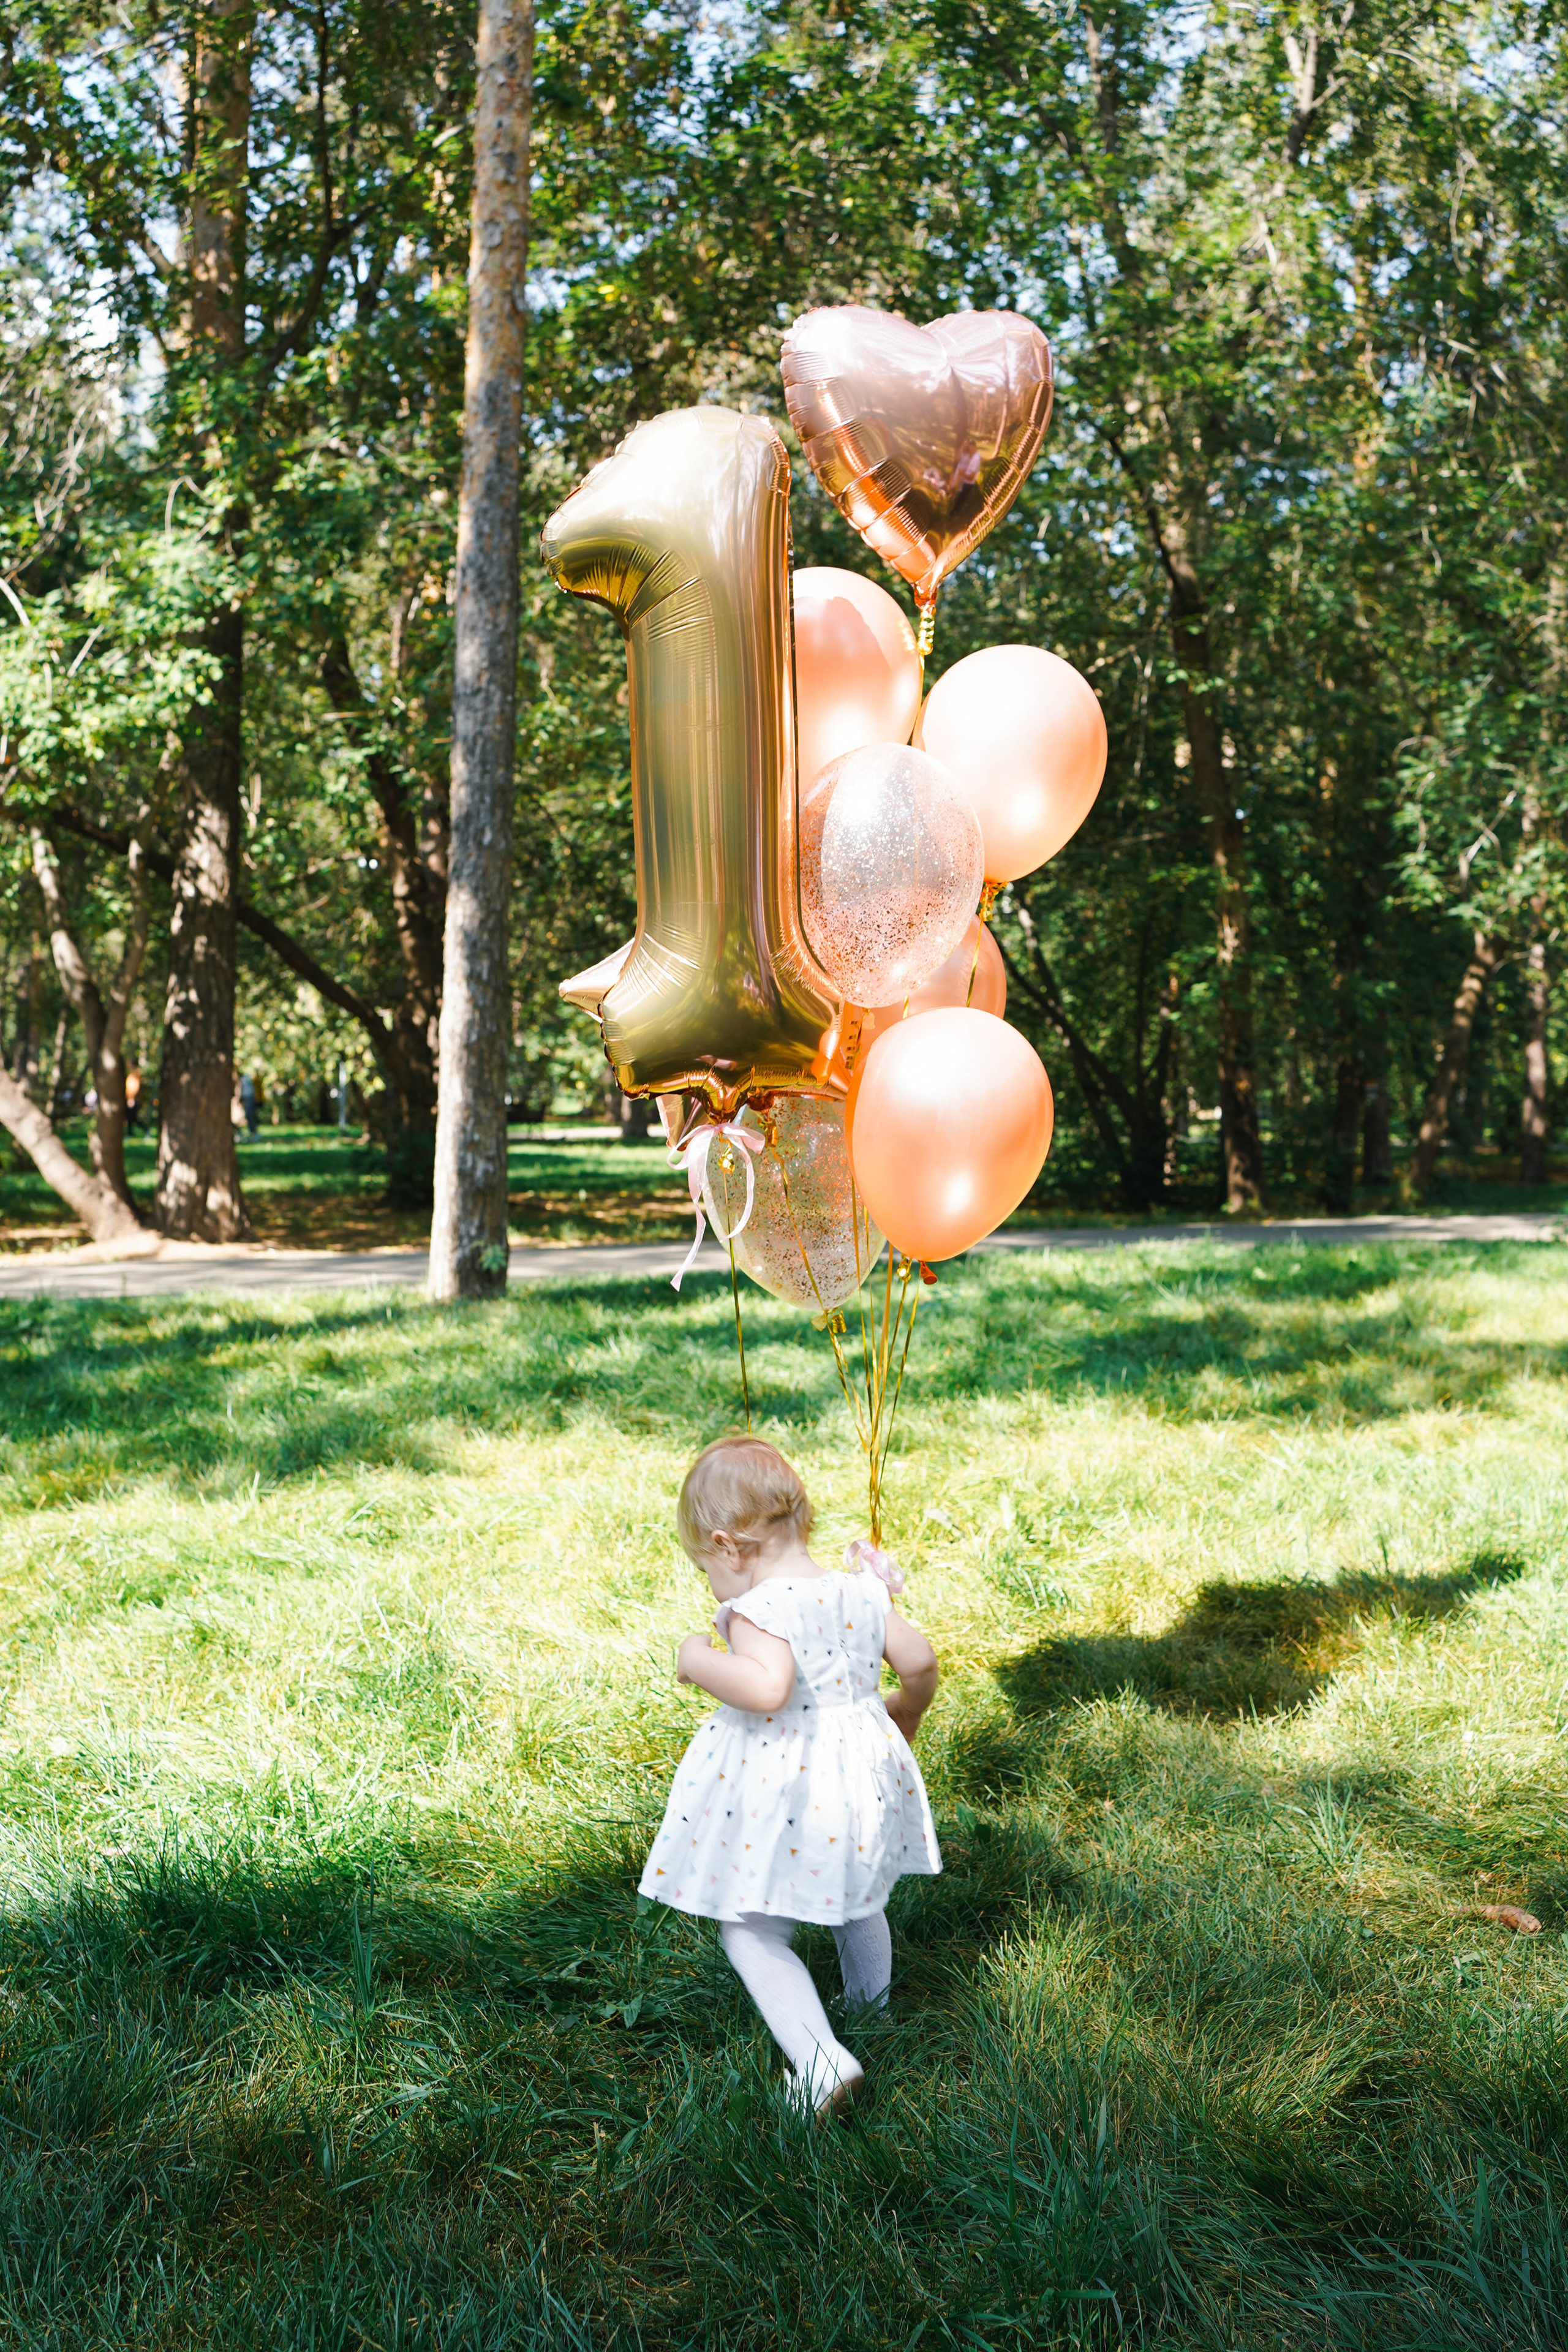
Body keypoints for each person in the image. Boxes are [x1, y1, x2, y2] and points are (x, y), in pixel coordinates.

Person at [640, 1436, 941, 2118]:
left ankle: (820, 2058)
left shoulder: (758, 1608)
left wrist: (696, 1659)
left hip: (793, 1786)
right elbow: (919, 1662)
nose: (711, 1584)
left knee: (750, 1931)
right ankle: (870, 2015)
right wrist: (904, 1715)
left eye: (705, 1568)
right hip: (862, 1776)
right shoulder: (860, 1590)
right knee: (859, 1900)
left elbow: (767, 1688)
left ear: (728, 1545)